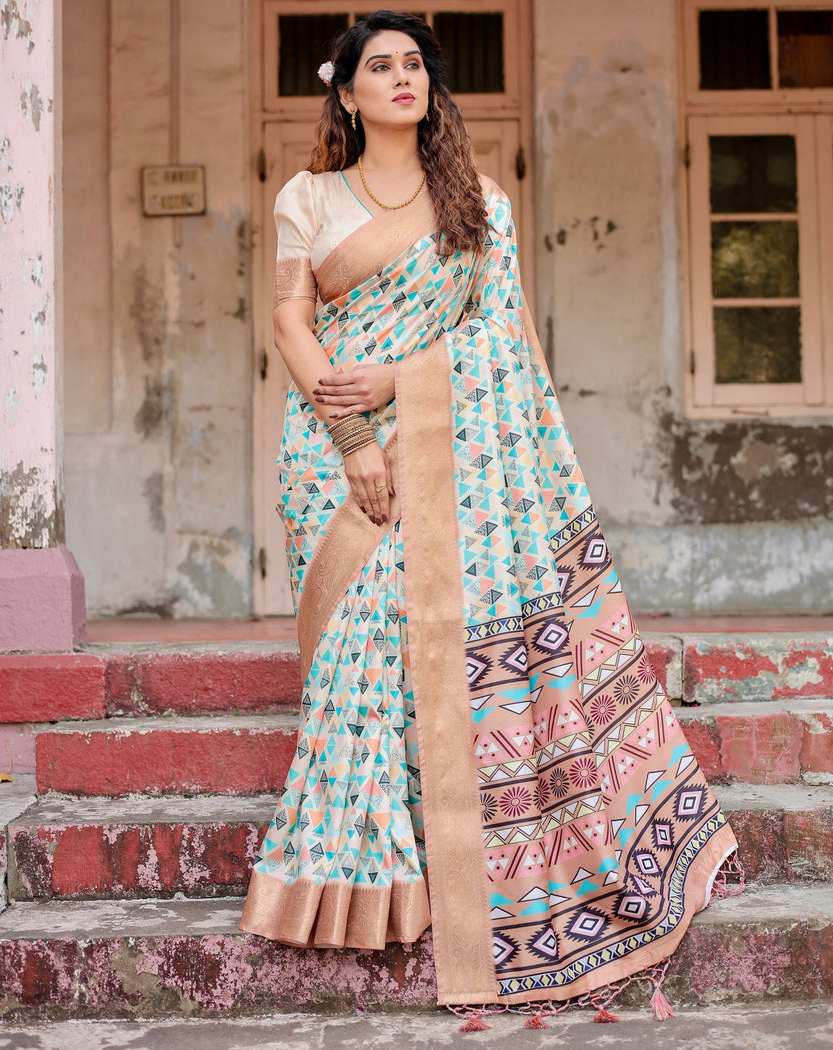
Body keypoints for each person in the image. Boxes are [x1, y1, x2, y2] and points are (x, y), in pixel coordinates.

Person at [240, 9, 740, 1018]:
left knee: (419, 646)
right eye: (379, 65)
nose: (400, 78)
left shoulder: (482, 207)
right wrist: (353, 438)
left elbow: (502, 353)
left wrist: (397, 384)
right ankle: (353, 891)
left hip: (449, 451)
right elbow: (289, 320)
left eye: (414, 64)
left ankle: (447, 871)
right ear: (344, 90)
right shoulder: (309, 198)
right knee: (358, 657)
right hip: (333, 454)